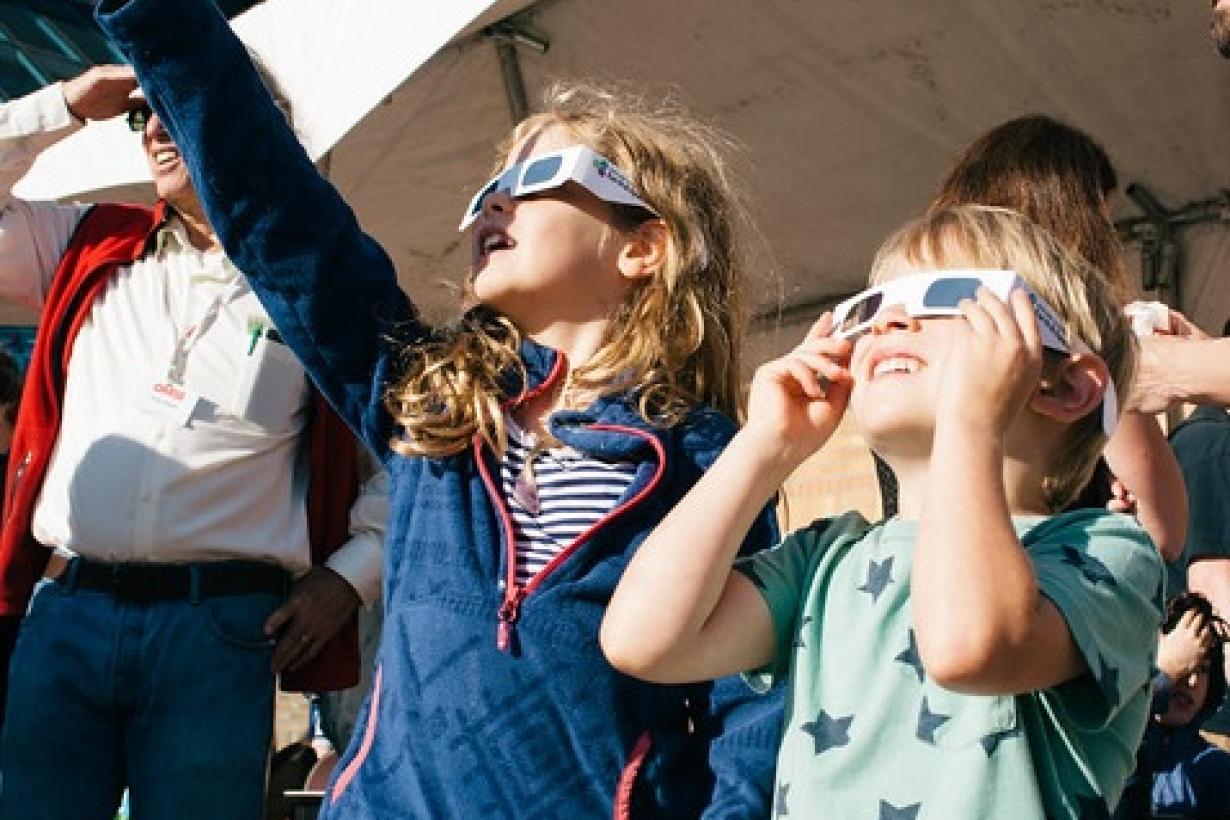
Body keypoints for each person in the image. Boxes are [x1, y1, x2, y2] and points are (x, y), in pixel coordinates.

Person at [98, 0, 784, 816]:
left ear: (642, 247)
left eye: (531, 180)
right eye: (487, 189)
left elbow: (750, 698)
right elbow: (279, 215)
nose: (492, 202)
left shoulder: (709, 458)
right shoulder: (429, 401)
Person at [602, 205, 1165, 817]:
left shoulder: (1104, 550)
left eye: (946, 295)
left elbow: (968, 645)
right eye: (870, 309)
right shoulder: (824, 560)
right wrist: (765, 446)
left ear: (1065, 386)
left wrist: (972, 420)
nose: (891, 319)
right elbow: (644, 641)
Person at [0, 65, 388, 820]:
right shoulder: (86, 239)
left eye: (177, 106)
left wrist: (350, 576)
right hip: (66, 611)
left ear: (260, 128)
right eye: (143, 111)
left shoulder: (325, 283)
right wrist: (67, 103)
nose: (151, 127)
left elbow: (408, 455)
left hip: (218, 630)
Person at [918, 114, 1187, 562]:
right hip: (1048, 592)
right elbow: (1164, 529)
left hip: (918, 579)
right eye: (1103, 220)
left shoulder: (916, 326)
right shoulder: (1073, 341)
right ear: (1073, 221)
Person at [1113, 592, 1230, 819]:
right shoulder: (1109, 742)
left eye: (1202, 669)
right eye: (1183, 663)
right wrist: (1163, 676)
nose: (1192, 681)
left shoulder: (1215, 770)